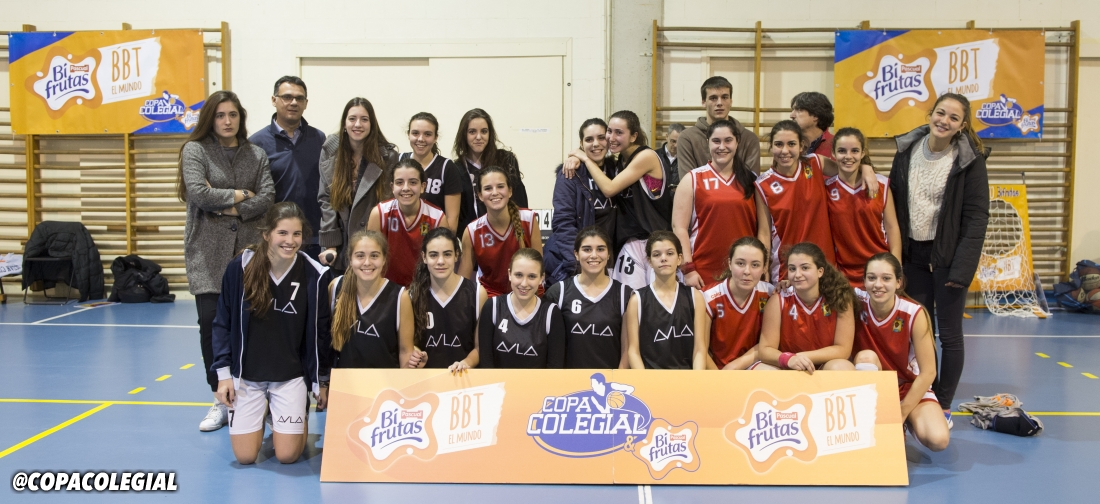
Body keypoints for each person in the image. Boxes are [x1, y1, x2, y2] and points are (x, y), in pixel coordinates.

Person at [176, 90, 274, 432]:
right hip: (207, 252)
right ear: (210, 119)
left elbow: (268, 197)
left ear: (240, 118)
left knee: (252, 324)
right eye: (220, 115)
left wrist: (229, 206)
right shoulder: (195, 150)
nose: (227, 121)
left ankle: (256, 397)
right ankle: (219, 397)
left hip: (249, 252)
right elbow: (198, 193)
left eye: (233, 114)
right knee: (210, 324)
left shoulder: (256, 153)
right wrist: (242, 195)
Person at [888, 93, 990, 422]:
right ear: (930, 113)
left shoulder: (969, 160)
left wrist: (961, 269)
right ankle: (924, 392)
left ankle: (943, 402)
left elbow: (976, 218)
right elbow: (893, 202)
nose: (944, 121)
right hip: (913, 257)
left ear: (962, 126)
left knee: (949, 333)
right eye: (940, 113)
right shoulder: (907, 151)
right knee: (920, 332)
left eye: (953, 118)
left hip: (948, 257)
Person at [209, 202, 332, 464]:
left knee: (287, 456)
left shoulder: (314, 274)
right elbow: (222, 322)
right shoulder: (241, 267)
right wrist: (224, 375)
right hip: (248, 377)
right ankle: (266, 411)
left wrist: (320, 381)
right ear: (266, 234)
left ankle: (293, 413)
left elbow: (321, 333)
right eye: (282, 233)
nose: (290, 241)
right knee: (245, 457)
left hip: (289, 376)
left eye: (296, 234)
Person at [754, 120, 878, 282]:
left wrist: (866, 167)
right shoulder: (763, 184)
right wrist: (763, 267)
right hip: (789, 270)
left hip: (825, 264)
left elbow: (847, 167)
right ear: (771, 147)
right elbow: (764, 233)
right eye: (778, 144)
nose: (785, 150)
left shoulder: (815, 163)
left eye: (791, 144)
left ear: (801, 146)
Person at [852, 253, 950, 449]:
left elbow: (929, 372)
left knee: (938, 440)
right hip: (874, 384)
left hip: (907, 385)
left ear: (899, 282)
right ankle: (868, 418)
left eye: (886, 278)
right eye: (871, 278)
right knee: (865, 358)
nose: (878, 284)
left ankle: (907, 421)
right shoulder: (854, 300)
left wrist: (901, 413)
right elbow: (820, 286)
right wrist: (789, 284)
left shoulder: (914, 313)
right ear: (864, 281)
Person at [567, 110, 671, 290]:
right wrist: (576, 159)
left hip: (656, 240)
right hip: (630, 243)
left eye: (619, 132)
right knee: (630, 299)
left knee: (658, 299)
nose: (611, 137)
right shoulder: (620, 162)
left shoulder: (646, 156)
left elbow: (609, 189)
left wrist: (583, 157)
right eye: (609, 131)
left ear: (634, 136)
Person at [672, 119, 766, 289]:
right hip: (703, 269)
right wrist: (688, 269)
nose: (722, 146)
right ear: (708, 143)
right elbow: (679, 228)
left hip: (745, 269)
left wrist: (763, 266)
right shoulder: (692, 178)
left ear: (737, 142)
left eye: (728, 140)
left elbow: (763, 230)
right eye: (716, 141)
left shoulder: (751, 180)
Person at [323, 230, 425, 376]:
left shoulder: (400, 297)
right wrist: (324, 382)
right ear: (350, 259)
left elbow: (405, 352)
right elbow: (325, 343)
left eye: (374, 256)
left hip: (385, 385)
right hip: (344, 383)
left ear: (384, 259)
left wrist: (404, 383)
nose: (367, 262)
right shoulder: (335, 288)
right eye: (360, 256)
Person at [249, 76, 327, 259]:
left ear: (306, 103)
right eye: (287, 97)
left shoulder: (319, 138)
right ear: (274, 100)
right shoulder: (256, 143)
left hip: (314, 237)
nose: (293, 102)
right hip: (276, 239)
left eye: (299, 98)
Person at [755, 242, 856, 372]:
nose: (797, 274)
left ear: (820, 271)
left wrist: (799, 357)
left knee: (842, 367)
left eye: (805, 268)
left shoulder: (840, 298)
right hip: (789, 366)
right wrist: (788, 359)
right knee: (762, 370)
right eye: (792, 269)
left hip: (823, 366)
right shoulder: (778, 299)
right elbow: (765, 350)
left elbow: (843, 349)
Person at [318, 98, 392, 271]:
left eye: (364, 119)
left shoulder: (387, 156)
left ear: (372, 124)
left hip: (371, 242)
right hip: (339, 243)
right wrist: (330, 244)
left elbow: (387, 205)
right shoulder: (329, 152)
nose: (358, 124)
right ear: (344, 123)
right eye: (352, 119)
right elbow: (326, 200)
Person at [544, 226, 633, 369]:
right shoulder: (558, 292)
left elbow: (628, 349)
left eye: (600, 249)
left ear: (609, 254)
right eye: (587, 249)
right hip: (569, 378)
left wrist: (618, 377)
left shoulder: (624, 294)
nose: (594, 255)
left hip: (608, 378)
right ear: (576, 254)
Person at [544, 118, 617, 285]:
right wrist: (577, 264)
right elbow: (563, 223)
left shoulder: (617, 170)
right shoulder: (570, 173)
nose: (596, 144)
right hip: (574, 263)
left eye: (601, 137)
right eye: (589, 139)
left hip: (606, 260)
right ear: (581, 144)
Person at [826, 127, 901, 287]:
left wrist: (897, 267)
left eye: (854, 151)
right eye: (842, 151)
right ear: (833, 153)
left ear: (862, 153)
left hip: (879, 269)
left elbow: (892, 227)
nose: (848, 156)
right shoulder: (826, 188)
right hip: (844, 274)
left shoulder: (881, 185)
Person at [624, 231, 709, 370]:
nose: (663, 258)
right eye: (657, 254)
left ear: (679, 258)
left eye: (669, 253)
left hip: (687, 377)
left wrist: (696, 379)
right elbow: (633, 351)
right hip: (652, 378)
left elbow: (700, 348)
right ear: (650, 261)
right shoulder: (637, 300)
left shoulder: (694, 296)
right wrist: (644, 380)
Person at [408, 227, 487, 372]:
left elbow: (480, 347)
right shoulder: (412, 295)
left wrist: (466, 362)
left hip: (463, 378)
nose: (440, 261)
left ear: (456, 255)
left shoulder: (477, 293)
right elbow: (407, 344)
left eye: (447, 254)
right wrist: (416, 354)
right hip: (426, 378)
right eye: (433, 255)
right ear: (424, 257)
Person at [459, 166, 542, 297]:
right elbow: (462, 281)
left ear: (510, 191)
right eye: (488, 188)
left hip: (527, 293)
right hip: (491, 298)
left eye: (500, 186)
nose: (495, 192)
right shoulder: (472, 231)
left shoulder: (529, 219)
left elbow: (539, 267)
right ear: (480, 195)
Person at [478, 248, 565, 368]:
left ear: (541, 278)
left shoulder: (551, 313)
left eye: (532, 276)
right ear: (510, 274)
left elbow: (555, 367)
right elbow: (486, 361)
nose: (524, 283)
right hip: (499, 381)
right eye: (519, 275)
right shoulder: (492, 307)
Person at [367, 158, 445, 286]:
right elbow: (370, 257)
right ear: (392, 187)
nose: (406, 188)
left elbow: (442, 262)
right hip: (386, 287)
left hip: (424, 288)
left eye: (413, 182)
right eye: (399, 182)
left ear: (423, 187)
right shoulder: (379, 213)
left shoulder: (437, 218)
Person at [703, 237, 774, 370]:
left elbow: (769, 344)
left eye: (755, 265)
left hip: (752, 364)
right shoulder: (707, 297)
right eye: (740, 263)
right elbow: (701, 350)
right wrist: (719, 377)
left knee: (772, 372)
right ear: (730, 263)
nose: (747, 271)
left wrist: (735, 366)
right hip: (716, 369)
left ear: (764, 268)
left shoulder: (770, 294)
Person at [453, 108, 528, 234]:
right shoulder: (457, 168)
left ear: (490, 134)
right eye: (472, 132)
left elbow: (519, 201)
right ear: (464, 135)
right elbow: (459, 214)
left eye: (484, 131)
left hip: (508, 234)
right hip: (475, 236)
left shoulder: (506, 160)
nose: (478, 137)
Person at [675, 76, 761, 179]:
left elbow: (751, 182)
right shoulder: (687, 138)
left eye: (724, 97)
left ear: (731, 101)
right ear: (703, 102)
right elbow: (688, 182)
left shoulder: (749, 138)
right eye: (713, 98)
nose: (719, 103)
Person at [399, 112, 464, 232]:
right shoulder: (398, 160)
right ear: (408, 134)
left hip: (434, 237)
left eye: (427, 134)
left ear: (435, 137)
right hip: (401, 234)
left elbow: (452, 219)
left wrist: (444, 241)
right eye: (415, 133)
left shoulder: (447, 167)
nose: (420, 139)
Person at [789, 91, 835, 159]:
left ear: (815, 115)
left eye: (799, 110)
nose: (791, 115)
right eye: (793, 110)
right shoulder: (788, 144)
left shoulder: (836, 144)